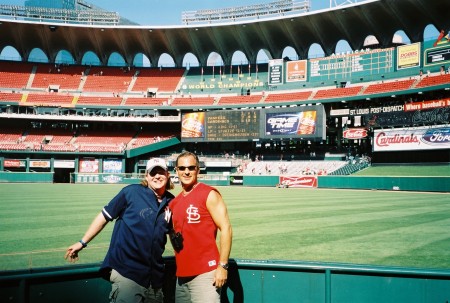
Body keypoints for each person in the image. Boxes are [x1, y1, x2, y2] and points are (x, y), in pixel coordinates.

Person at [64, 158, 174, 303]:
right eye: (153, 173)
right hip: (127, 273)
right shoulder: (131, 192)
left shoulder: (172, 202)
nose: (157, 176)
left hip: (155, 279)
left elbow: (173, 233)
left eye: (161, 172)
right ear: (146, 176)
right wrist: (82, 242)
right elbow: (104, 216)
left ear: (167, 175)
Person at [169, 151, 233, 303]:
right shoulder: (174, 202)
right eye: (182, 168)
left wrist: (223, 266)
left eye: (191, 167)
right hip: (181, 276)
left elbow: (226, 228)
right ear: (176, 170)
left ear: (198, 169)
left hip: (206, 273)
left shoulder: (209, 194)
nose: (186, 171)